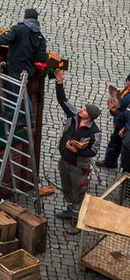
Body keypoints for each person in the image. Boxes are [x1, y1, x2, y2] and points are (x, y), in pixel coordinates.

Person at [0, 8, 49, 129]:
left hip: (15, 67)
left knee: (20, 94)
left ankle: (29, 121)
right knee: (12, 89)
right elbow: (41, 57)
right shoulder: (40, 37)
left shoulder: (18, 29)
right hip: (26, 70)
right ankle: (9, 113)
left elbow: (5, 39)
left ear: (25, 17)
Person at [53, 68, 101, 223]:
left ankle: (76, 221)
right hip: (64, 162)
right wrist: (60, 82)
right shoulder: (73, 116)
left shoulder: (94, 132)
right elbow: (63, 100)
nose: (82, 109)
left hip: (78, 167)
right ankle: (69, 212)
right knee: (66, 189)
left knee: (78, 193)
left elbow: (93, 151)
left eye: (85, 110)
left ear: (90, 116)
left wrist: (77, 150)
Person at [99, 74, 130, 169]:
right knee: (114, 142)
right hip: (119, 121)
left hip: (125, 124)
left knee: (122, 146)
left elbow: (126, 113)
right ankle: (110, 161)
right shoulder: (127, 89)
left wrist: (115, 111)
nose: (128, 83)